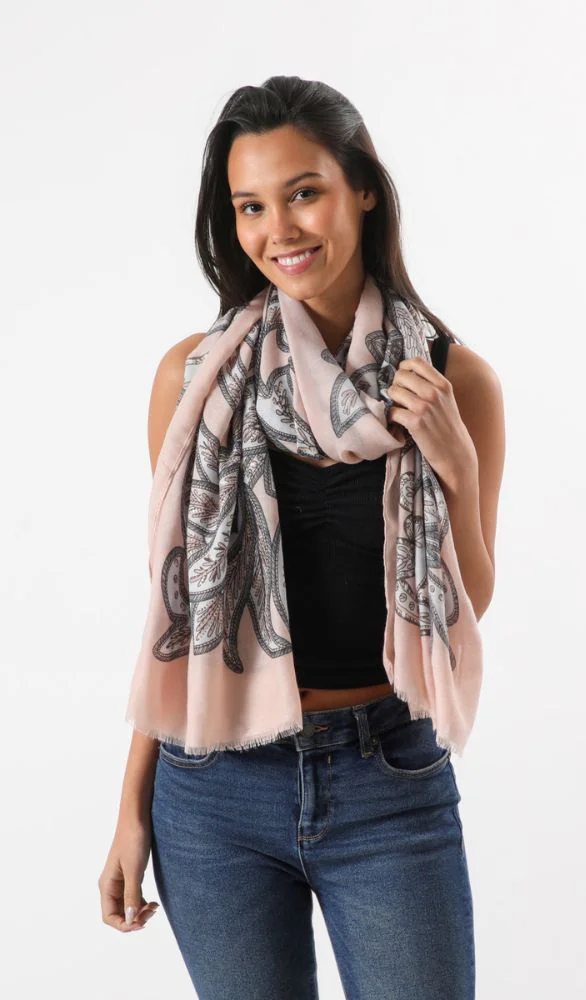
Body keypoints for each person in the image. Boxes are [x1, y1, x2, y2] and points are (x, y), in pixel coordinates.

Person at [98, 75, 504, 999]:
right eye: (250, 206)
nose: (278, 229)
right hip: (212, 788)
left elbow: (466, 604)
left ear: (363, 189)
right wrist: (131, 807)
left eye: (304, 192)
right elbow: (176, 617)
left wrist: (457, 465)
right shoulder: (195, 381)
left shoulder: (455, 381)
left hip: (385, 777)